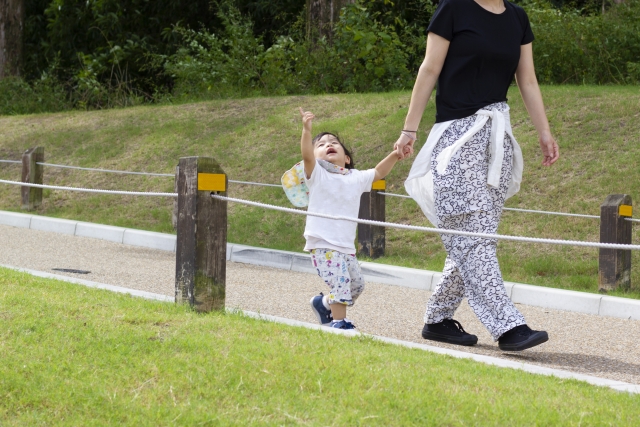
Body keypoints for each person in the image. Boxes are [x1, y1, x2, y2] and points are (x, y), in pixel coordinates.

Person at [394, 0, 560, 351]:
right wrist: (410, 130)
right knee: (472, 234)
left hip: (495, 138)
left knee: (475, 232)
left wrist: (544, 132)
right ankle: (508, 326)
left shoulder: (517, 18)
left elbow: (527, 79)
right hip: (455, 137)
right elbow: (429, 69)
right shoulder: (453, 9)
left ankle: (437, 319)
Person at [294, 107, 404, 330]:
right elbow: (306, 154)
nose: (328, 145)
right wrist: (306, 130)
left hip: (345, 246)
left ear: (347, 157)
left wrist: (395, 154)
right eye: (321, 144)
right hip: (322, 242)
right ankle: (339, 323)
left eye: (333, 142)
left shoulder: (356, 177)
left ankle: (322, 303)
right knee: (341, 282)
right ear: (315, 157)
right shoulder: (316, 174)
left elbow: (379, 172)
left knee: (356, 285)